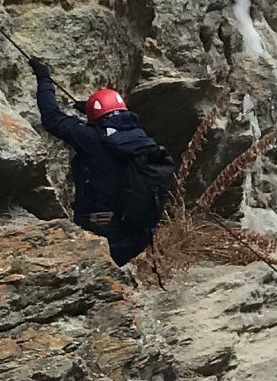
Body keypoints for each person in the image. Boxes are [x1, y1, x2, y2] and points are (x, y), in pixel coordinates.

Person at [30, 58, 171, 266]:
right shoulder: (139, 138)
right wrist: (88, 110)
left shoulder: (93, 139)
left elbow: (52, 118)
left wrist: (44, 79)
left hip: (100, 228)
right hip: (133, 232)